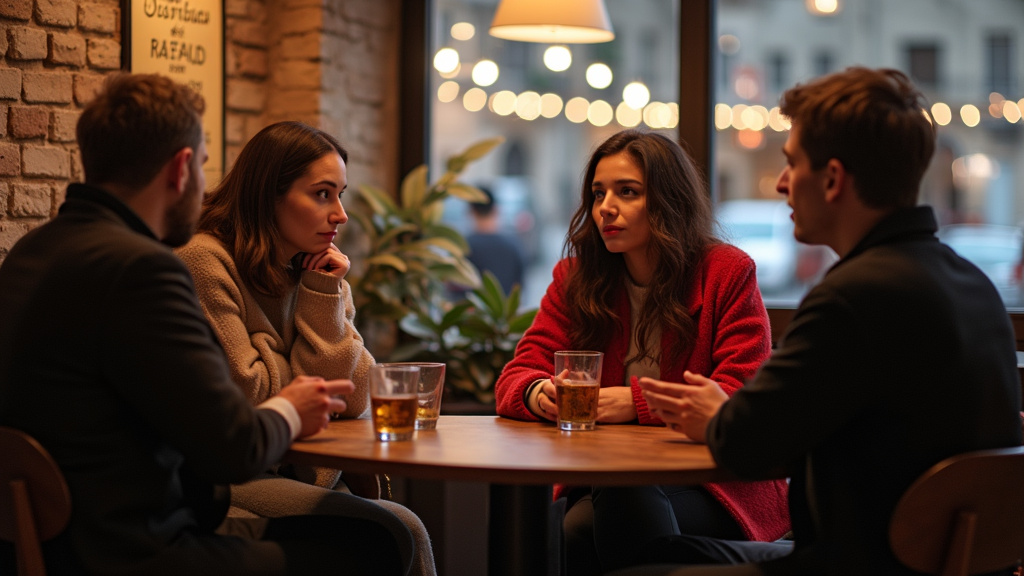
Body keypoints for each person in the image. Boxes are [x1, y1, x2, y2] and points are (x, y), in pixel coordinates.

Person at [0, 72, 414, 575]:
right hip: (136, 550)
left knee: (378, 528)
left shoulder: (33, 251)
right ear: (181, 168)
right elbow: (234, 446)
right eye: (202, 165)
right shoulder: (144, 269)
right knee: (378, 543)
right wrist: (290, 406)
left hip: (62, 536)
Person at [632, 67, 1024, 576]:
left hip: (858, 565)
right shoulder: (972, 284)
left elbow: (750, 443)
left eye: (792, 164)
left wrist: (717, 416)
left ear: (834, 179)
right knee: (665, 552)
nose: (780, 183)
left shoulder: (853, 297)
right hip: (950, 565)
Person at [494, 129, 791, 575]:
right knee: (597, 507)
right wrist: (542, 393)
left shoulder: (725, 272)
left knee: (583, 526)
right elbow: (518, 373)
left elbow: (741, 393)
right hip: (608, 482)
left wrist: (637, 403)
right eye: (598, 194)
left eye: (627, 192)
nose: (605, 208)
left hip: (713, 485)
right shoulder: (577, 278)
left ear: (668, 200)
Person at [175, 120, 436, 576]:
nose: (341, 214)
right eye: (322, 194)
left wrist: (319, 298)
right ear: (267, 196)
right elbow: (249, 397)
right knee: (402, 528)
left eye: (341, 194)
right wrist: (291, 376)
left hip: (300, 470)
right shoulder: (205, 261)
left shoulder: (319, 274)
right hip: (234, 479)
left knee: (401, 525)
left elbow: (353, 398)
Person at [464, 186, 527, 295]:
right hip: (507, 311)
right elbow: (521, 289)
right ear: (495, 209)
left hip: (473, 311)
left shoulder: (464, 247)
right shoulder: (513, 245)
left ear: (471, 211)